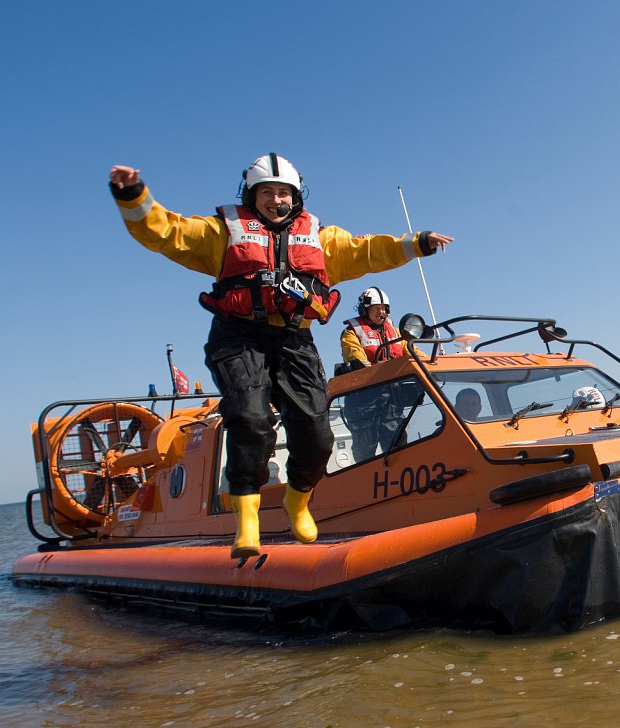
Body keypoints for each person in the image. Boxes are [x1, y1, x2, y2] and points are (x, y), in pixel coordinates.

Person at [109, 154, 454, 557]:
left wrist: (416, 244)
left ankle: (298, 499)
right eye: (267, 192)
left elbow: (369, 251)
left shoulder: (322, 240)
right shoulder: (222, 233)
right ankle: (247, 519)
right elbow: (164, 231)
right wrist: (133, 195)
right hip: (238, 337)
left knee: (317, 432)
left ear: (297, 197)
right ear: (251, 196)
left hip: (294, 338)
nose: (276, 200)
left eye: (283, 193)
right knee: (251, 418)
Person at [340, 287, 412, 460]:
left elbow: (411, 351)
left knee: (398, 449)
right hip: (364, 403)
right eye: (376, 308)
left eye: (384, 308)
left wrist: (429, 364)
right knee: (365, 452)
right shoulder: (351, 332)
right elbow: (356, 358)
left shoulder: (394, 331)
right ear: (365, 310)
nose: (381, 312)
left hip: (391, 401)